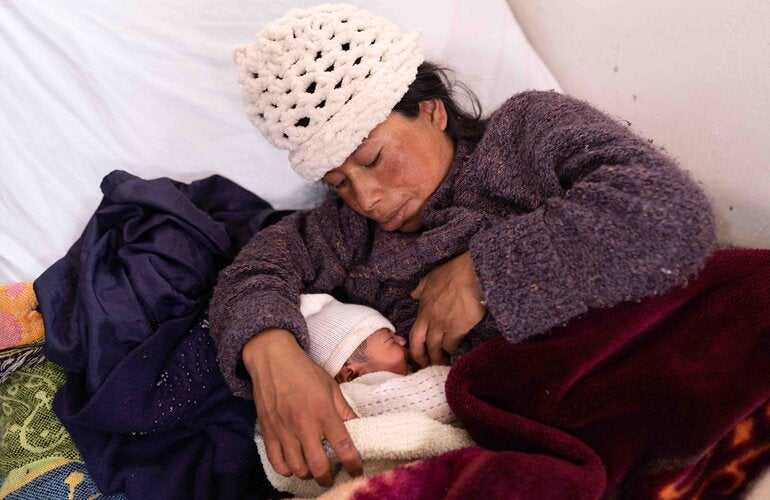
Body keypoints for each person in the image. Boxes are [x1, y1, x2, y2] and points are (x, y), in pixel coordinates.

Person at [210, 3, 716, 487]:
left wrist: (483, 273)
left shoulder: (524, 134)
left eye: (372, 159)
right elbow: (252, 274)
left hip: (648, 365)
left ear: (431, 112)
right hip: (529, 436)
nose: (365, 197)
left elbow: (669, 212)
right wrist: (270, 350)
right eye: (338, 181)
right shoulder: (342, 230)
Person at [298, 293, 454, 423]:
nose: (403, 340)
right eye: (391, 341)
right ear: (350, 374)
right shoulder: (351, 397)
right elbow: (436, 395)